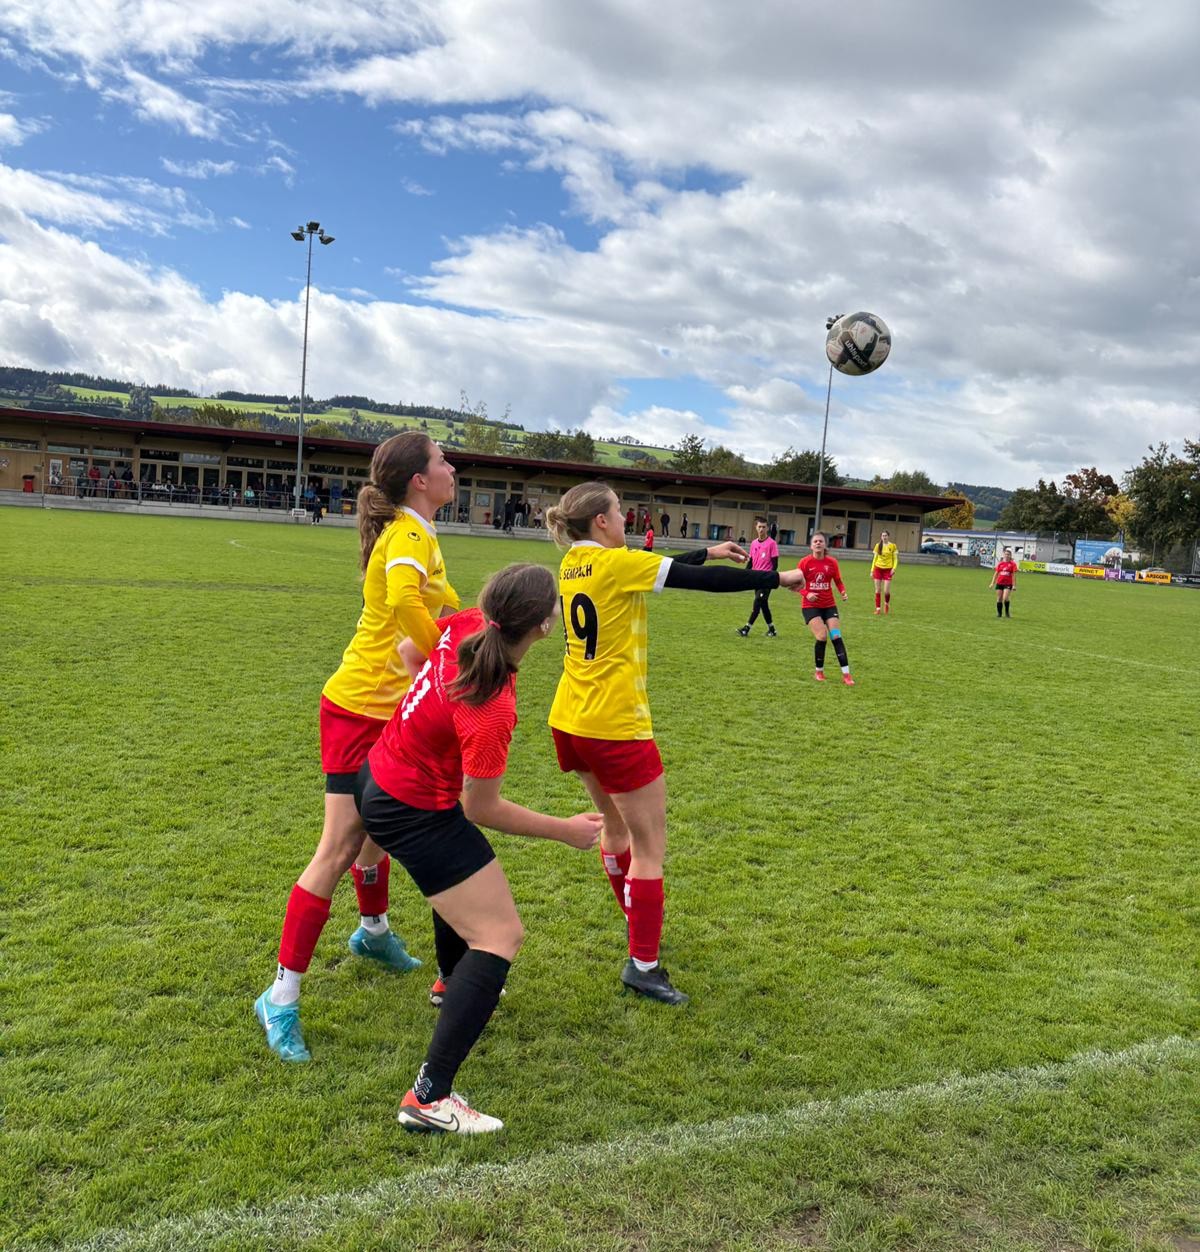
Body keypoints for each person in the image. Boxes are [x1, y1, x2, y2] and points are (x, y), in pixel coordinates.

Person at [358, 564, 602, 1134]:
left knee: (467, 880)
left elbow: (406, 652)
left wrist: (430, 725)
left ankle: (450, 980)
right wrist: (565, 829)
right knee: (499, 935)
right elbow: (482, 809)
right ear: (545, 626)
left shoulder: (468, 621)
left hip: (384, 779)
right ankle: (429, 1097)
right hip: (412, 807)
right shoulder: (492, 706)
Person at [545, 483, 806, 1005]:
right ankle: (643, 964)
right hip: (616, 723)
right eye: (620, 512)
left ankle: (637, 922)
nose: (625, 519)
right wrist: (779, 578)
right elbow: (694, 581)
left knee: (615, 830)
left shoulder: (575, 562)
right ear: (601, 521)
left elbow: (659, 567)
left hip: (570, 718)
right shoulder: (616, 565)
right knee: (650, 848)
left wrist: (707, 549)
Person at [256, 432, 459, 1063]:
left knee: (380, 830)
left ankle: (372, 933)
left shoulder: (415, 530)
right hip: (358, 710)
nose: (452, 468)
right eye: (442, 461)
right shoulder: (408, 535)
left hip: (390, 707)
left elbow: (428, 604)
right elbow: (403, 602)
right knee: (339, 846)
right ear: (419, 480)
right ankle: (280, 998)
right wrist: (444, 661)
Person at [796, 531, 854, 685]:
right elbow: (796, 585)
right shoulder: (804, 563)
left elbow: (838, 581)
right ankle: (819, 672)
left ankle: (847, 675)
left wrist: (843, 592)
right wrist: (807, 594)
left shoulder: (832, 562)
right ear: (811, 545)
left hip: (829, 606)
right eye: (815, 541)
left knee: (836, 635)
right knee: (822, 636)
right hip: (810, 607)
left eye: (820, 541)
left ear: (825, 544)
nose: (818, 543)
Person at [736, 518, 780, 637]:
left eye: (764, 527)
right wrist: (743, 575)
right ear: (756, 527)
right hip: (756, 579)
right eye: (759, 527)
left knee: (757, 602)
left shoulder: (772, 543)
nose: (761, 529)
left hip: (766, 580)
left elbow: (775, 565)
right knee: (763, 605)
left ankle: (746, 628)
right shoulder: (754, 543)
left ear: (767, 528)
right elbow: (751, 562)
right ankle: (772, 630)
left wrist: (769, 578)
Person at [870, 529, 899, 615]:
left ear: (888, 536)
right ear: (881, 537)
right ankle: (878, 609)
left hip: (888, 570)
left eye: (885, 535)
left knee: (886, 591)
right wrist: (872, 570)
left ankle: (886, 604)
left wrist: (894, 568)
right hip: (878, 569)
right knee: (878, 590)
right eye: (883, 536)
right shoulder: (878, 546)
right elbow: (874, 559)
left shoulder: (893, 546)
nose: (884, 537)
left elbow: (895, 559)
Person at [991, 547, 1017, 617]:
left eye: (1008, 554)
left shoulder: (1013, 564)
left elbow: (1014, 576)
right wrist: (992, 583)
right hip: (999, 583)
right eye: (1006, 554)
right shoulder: (1000, 564)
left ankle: (1007, 612)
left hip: (1008, 583)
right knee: (999, 598)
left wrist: (1014, 585)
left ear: (1010, 555)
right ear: (1004, 555)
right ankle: (999, 614)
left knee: (1005, 598)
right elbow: (996, 574)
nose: (1007, 555)